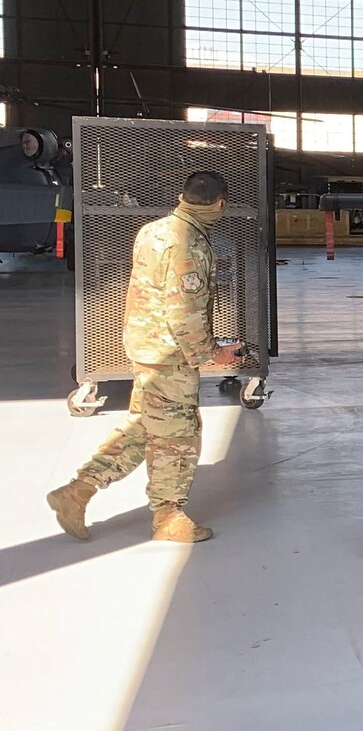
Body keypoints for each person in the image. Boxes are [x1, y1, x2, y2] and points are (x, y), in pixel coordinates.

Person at [47, 170, 244, 544]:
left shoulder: (152, 230)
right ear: (220, 204)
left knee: (146, 426)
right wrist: (212, 353)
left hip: (145, 345)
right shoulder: (190, 245)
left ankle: (78, 491)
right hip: (170, 354)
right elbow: (184, 310)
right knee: (178, 435)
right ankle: (168, 514)